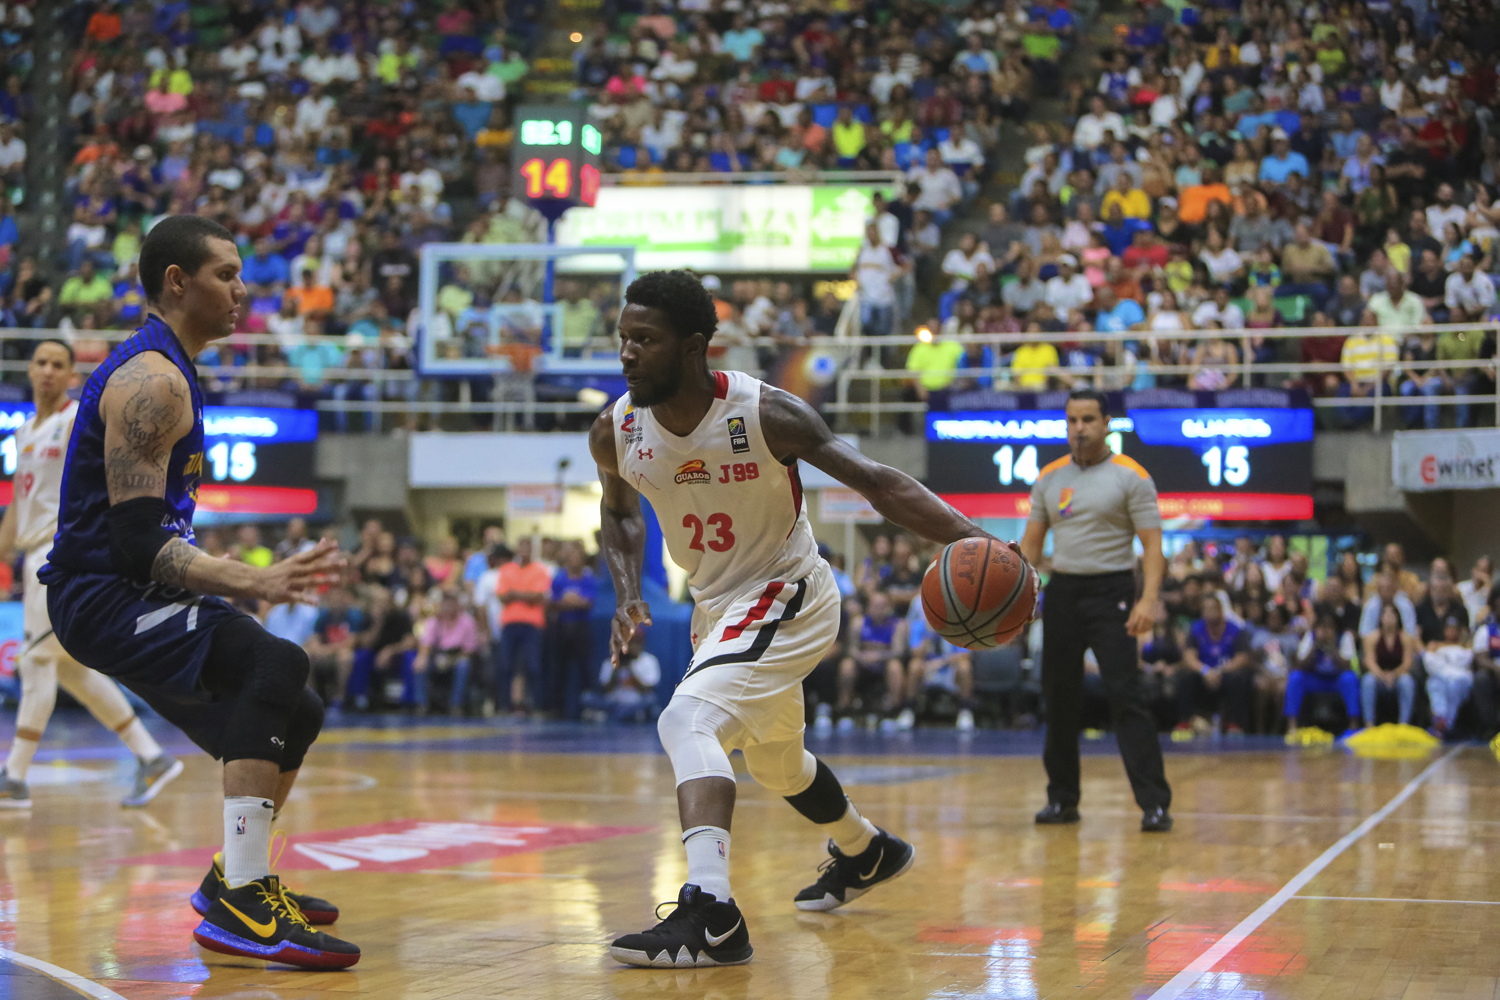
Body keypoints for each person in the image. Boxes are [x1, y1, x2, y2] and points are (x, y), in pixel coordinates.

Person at [593, 270, 1020, 966]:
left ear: (695, 346)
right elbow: (615, 510)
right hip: (718, 608)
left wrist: (979, 540)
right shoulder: (616, 429)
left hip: (788, 592)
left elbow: (880, 484)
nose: (628, 353)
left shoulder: (765, 415)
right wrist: (625, 588)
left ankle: (712, 913)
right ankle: (867, 851)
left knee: (686, 720)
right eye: (624, 339)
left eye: (645, 339)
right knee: (778, 765)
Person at [36, 216, 358, 967]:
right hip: (100, 596)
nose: (242, 290)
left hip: (122, 590)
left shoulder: (173, 368)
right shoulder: (151, 380)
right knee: (275, 664)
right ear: (177, 282)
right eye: (225, 274)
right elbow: (138, 543)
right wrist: (257, 579)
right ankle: (242, 900)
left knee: (294, 705)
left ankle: (231, 884)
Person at [0, 341, 182, 810]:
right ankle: (152, 757)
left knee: (37, 663)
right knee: (71, 669)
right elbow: (19, 507)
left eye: (57, 364)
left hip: (60, 553)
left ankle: (14, 778)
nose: (46, 371)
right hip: (31, 554)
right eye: (39, 362)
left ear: (71, 375)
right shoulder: (22, 433)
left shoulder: (79, 420)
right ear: (29, 368)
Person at [1020, 389, 1173, 832]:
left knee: (1127, 697)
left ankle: (1154, 804)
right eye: (1072, 420)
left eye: (1088, 419)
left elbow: (1152, 546)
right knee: (1059, 699)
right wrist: (1014, 599)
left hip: (1114, 591)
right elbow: (1031, 548)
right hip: (1064, 590)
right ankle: (1062, 800)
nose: (1079, 428)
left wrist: (1147, 600)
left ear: (1107, 423)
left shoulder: (1132, 476)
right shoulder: (1049, 477)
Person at [836, 591, 909, 729]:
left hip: (884, 665)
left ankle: (892, 712)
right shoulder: (858, 623)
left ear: (889, 607)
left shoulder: (898, 625)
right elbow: (851, 649)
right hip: (862, 664)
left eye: (882, 606)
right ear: (869, 607)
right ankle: (845, 711)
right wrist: (861, 657)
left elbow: (898, 652)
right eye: (875, 605)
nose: (878, 609)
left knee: (895, 667)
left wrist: (878, 656)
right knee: (846, 665)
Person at [496, 537, 552, 712]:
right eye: (522, 546)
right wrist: (526, 594)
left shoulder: (540, 571)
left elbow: (538, 596)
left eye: (528, 546)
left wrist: (515, 593)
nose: (525, 550)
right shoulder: (506, 570)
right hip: (510, 623)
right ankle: (504, 705)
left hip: (532, 624)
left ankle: (536, 705)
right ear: (517, 550)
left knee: (533, 665)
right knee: (506, 665)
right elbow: (502, 596)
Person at [1286, 613, 1361, 734]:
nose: (1326, 630)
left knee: (1350, 679)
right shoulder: (1311, 636)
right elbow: (1300, 665)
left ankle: (1353, 725)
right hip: (1316, 679)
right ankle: (1292, 726)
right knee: (1295, 677)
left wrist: (1332, 647)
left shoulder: (1344, 637)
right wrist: (1315, 645)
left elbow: (1348, 666)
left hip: (1336, 680)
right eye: (1322, 626)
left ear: (1335, 628)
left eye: (1329, 626)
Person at [549, 541, 597, 720]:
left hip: (581, 628)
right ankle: (557, 708)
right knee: (559, 668)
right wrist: (574, 602)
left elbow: (588, 602)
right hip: (562, 627)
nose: (574, 561)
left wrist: (569, 601)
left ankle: (588, 708)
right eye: (571, 557)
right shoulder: (559, 578)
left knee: (585, 668)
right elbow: (553, 603)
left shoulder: (588, 578)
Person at [413, 592, 479, 715]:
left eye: (451, 603)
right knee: (420, 663)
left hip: (457, 656)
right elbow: (426, 643)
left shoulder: (467, 622)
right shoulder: (434, 621)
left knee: (463, 665)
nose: (448, 607)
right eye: (446, 603)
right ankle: (421, 704)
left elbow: (469, 651)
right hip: (437, 656)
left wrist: (451, 660)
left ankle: (456, 705)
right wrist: (422, 657)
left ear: (457, 605)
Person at [1360, 603, 1417, 726]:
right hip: (1379, 677)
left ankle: (1404, 723)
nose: (1389, 618)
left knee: (1406, 681)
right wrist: (1381, 675)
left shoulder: (1405, 638)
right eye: (1386, 614)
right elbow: (1369, 661)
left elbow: (1407, 662)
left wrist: (1394, 674)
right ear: (1380, 618)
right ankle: (1369, 723)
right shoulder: (1372, 638)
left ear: (1398, 618)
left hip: (1398, 677)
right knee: (1368, 681)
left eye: (1392, 615)